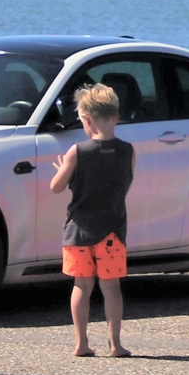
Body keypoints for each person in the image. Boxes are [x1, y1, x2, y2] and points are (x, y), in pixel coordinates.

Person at [50, 82, 135, 358]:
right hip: (112, 231)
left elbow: (56, 187)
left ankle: (81, 343)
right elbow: (124, 185)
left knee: (81, 285)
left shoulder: (77, 151)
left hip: (78, 231)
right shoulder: (127, 151)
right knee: (111, 288)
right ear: (116, 118)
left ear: (86, 119)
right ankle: (115, 344)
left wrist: (64, 168)